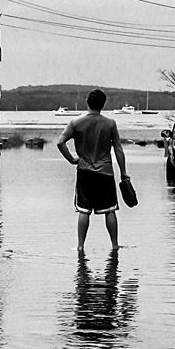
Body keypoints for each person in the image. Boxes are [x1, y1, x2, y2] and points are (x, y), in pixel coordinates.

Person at [57, 89, 128, 252]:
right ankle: (115, 245)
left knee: (84, 210)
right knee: (110, 210)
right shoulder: (110, 123)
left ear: (87, 102)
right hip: (105, 172)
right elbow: (118, 149)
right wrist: (124, 172)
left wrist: (72, 159)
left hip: (85, 171)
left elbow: (60, 142)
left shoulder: (76, 122)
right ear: (103, 104)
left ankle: (80, 246)